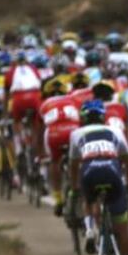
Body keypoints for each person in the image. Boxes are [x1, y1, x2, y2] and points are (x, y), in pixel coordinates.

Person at [68, 100, 128, 255]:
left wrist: (75, 188)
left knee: (87, 198)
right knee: (122, 227)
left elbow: (73, 165)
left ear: (84, 119)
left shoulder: (76, 134)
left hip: (89, 173)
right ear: (102, 117)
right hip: (112, 173)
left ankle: (90, 229)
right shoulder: (115, 131)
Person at [39, 79, 80, 216]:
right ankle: (80, 187)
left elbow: (39, 130)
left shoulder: (44, 104)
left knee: (54, 162)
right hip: (73, 131)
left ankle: (58, 199)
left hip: (54, 133)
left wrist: (40, 153)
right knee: (78, 160)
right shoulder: (73, 100)